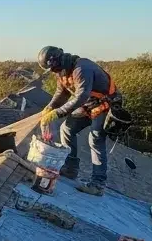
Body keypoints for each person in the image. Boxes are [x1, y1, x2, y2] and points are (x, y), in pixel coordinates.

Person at [36, 45, 121, 195]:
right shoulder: (63, 71)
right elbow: (62, 93)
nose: (54, 72)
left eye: (54, 68)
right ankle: (70, 168)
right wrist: (50, 107)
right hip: (89, 105)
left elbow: (81, 96)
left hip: (106, 104)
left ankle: (98, 185)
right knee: (67, 129)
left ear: (59, 61)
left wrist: (58, 113)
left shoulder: (82, 68)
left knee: (95, 138)